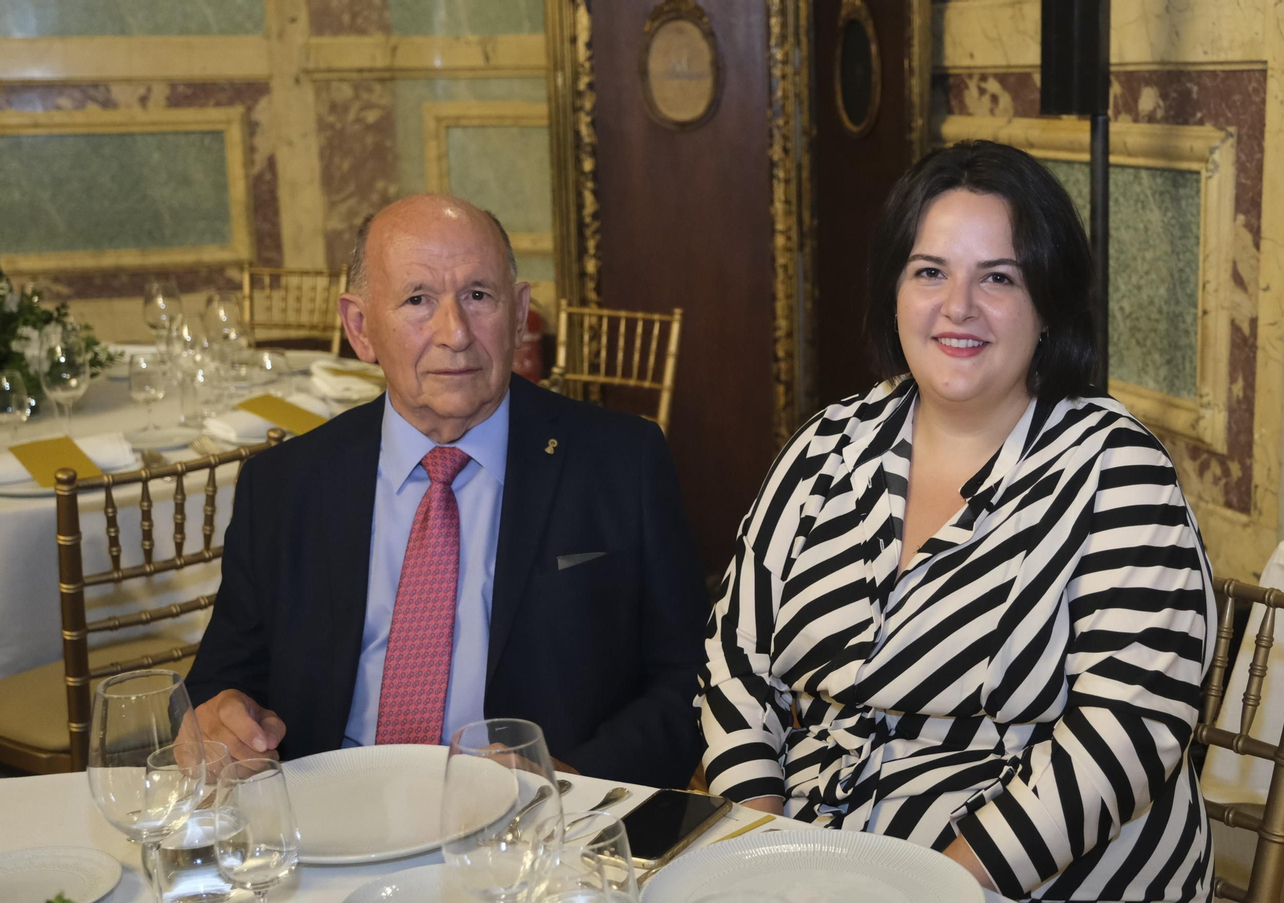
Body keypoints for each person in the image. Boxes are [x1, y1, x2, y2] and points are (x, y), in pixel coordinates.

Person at [698, 141, 1217, 901]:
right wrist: (766, 853)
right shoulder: (825, 448)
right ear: (894, 292)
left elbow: (1126, 731)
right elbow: (735, 662)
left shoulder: (1117, 469)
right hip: (813, 863)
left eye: (998, 277)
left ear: (1047, 306)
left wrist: (929, 885)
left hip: (1034, 875)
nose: (958, 307)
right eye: (930, 271)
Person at [186, 194, 705, 788]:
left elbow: (691, 679)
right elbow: (220, 686)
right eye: (417, 300)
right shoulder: (284, 486)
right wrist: (224, 721)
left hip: (534, 829)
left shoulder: (622, 463)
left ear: (518, 313)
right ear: (360, 327)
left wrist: (574, 778)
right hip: (329, 817)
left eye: (479, 296)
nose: (455, 333)